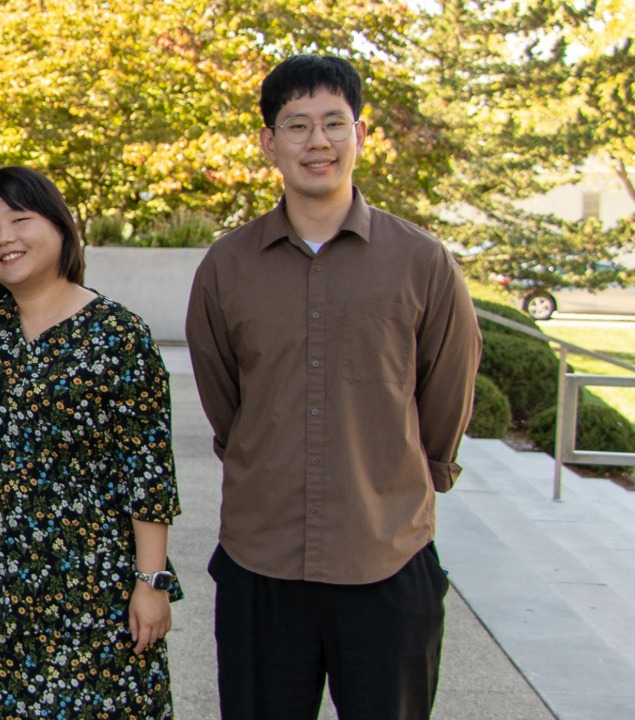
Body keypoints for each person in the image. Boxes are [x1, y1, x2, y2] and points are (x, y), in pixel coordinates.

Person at [185, 55, 481, 719]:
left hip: (385, 556)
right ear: (268, 142)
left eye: (332, 124)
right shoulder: (227, 267)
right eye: (295, 125)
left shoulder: (421, 262)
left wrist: (403, 474)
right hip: (261, 562)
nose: (316, 142)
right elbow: (225, 401)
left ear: (361, 135)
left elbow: (445, 390)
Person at [0, 167, 182, 718]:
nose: (4, 238)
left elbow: (148, 472)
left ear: (59, 226)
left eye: (19, 220)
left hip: (92, 584)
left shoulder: (118, 334)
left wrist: (151, 581)